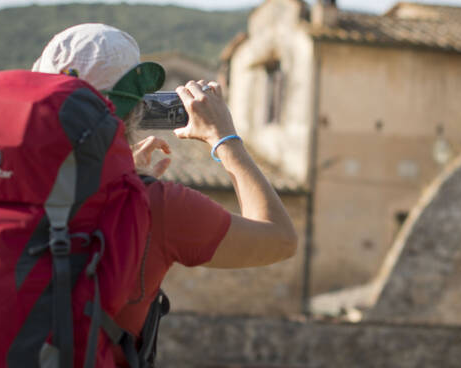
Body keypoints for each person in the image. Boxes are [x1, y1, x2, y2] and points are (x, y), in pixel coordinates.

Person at [32, 23, 298, 365]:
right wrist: (225, 139)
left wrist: (122, 170)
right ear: (133, 108)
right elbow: (280, 239)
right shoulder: (152, 205)